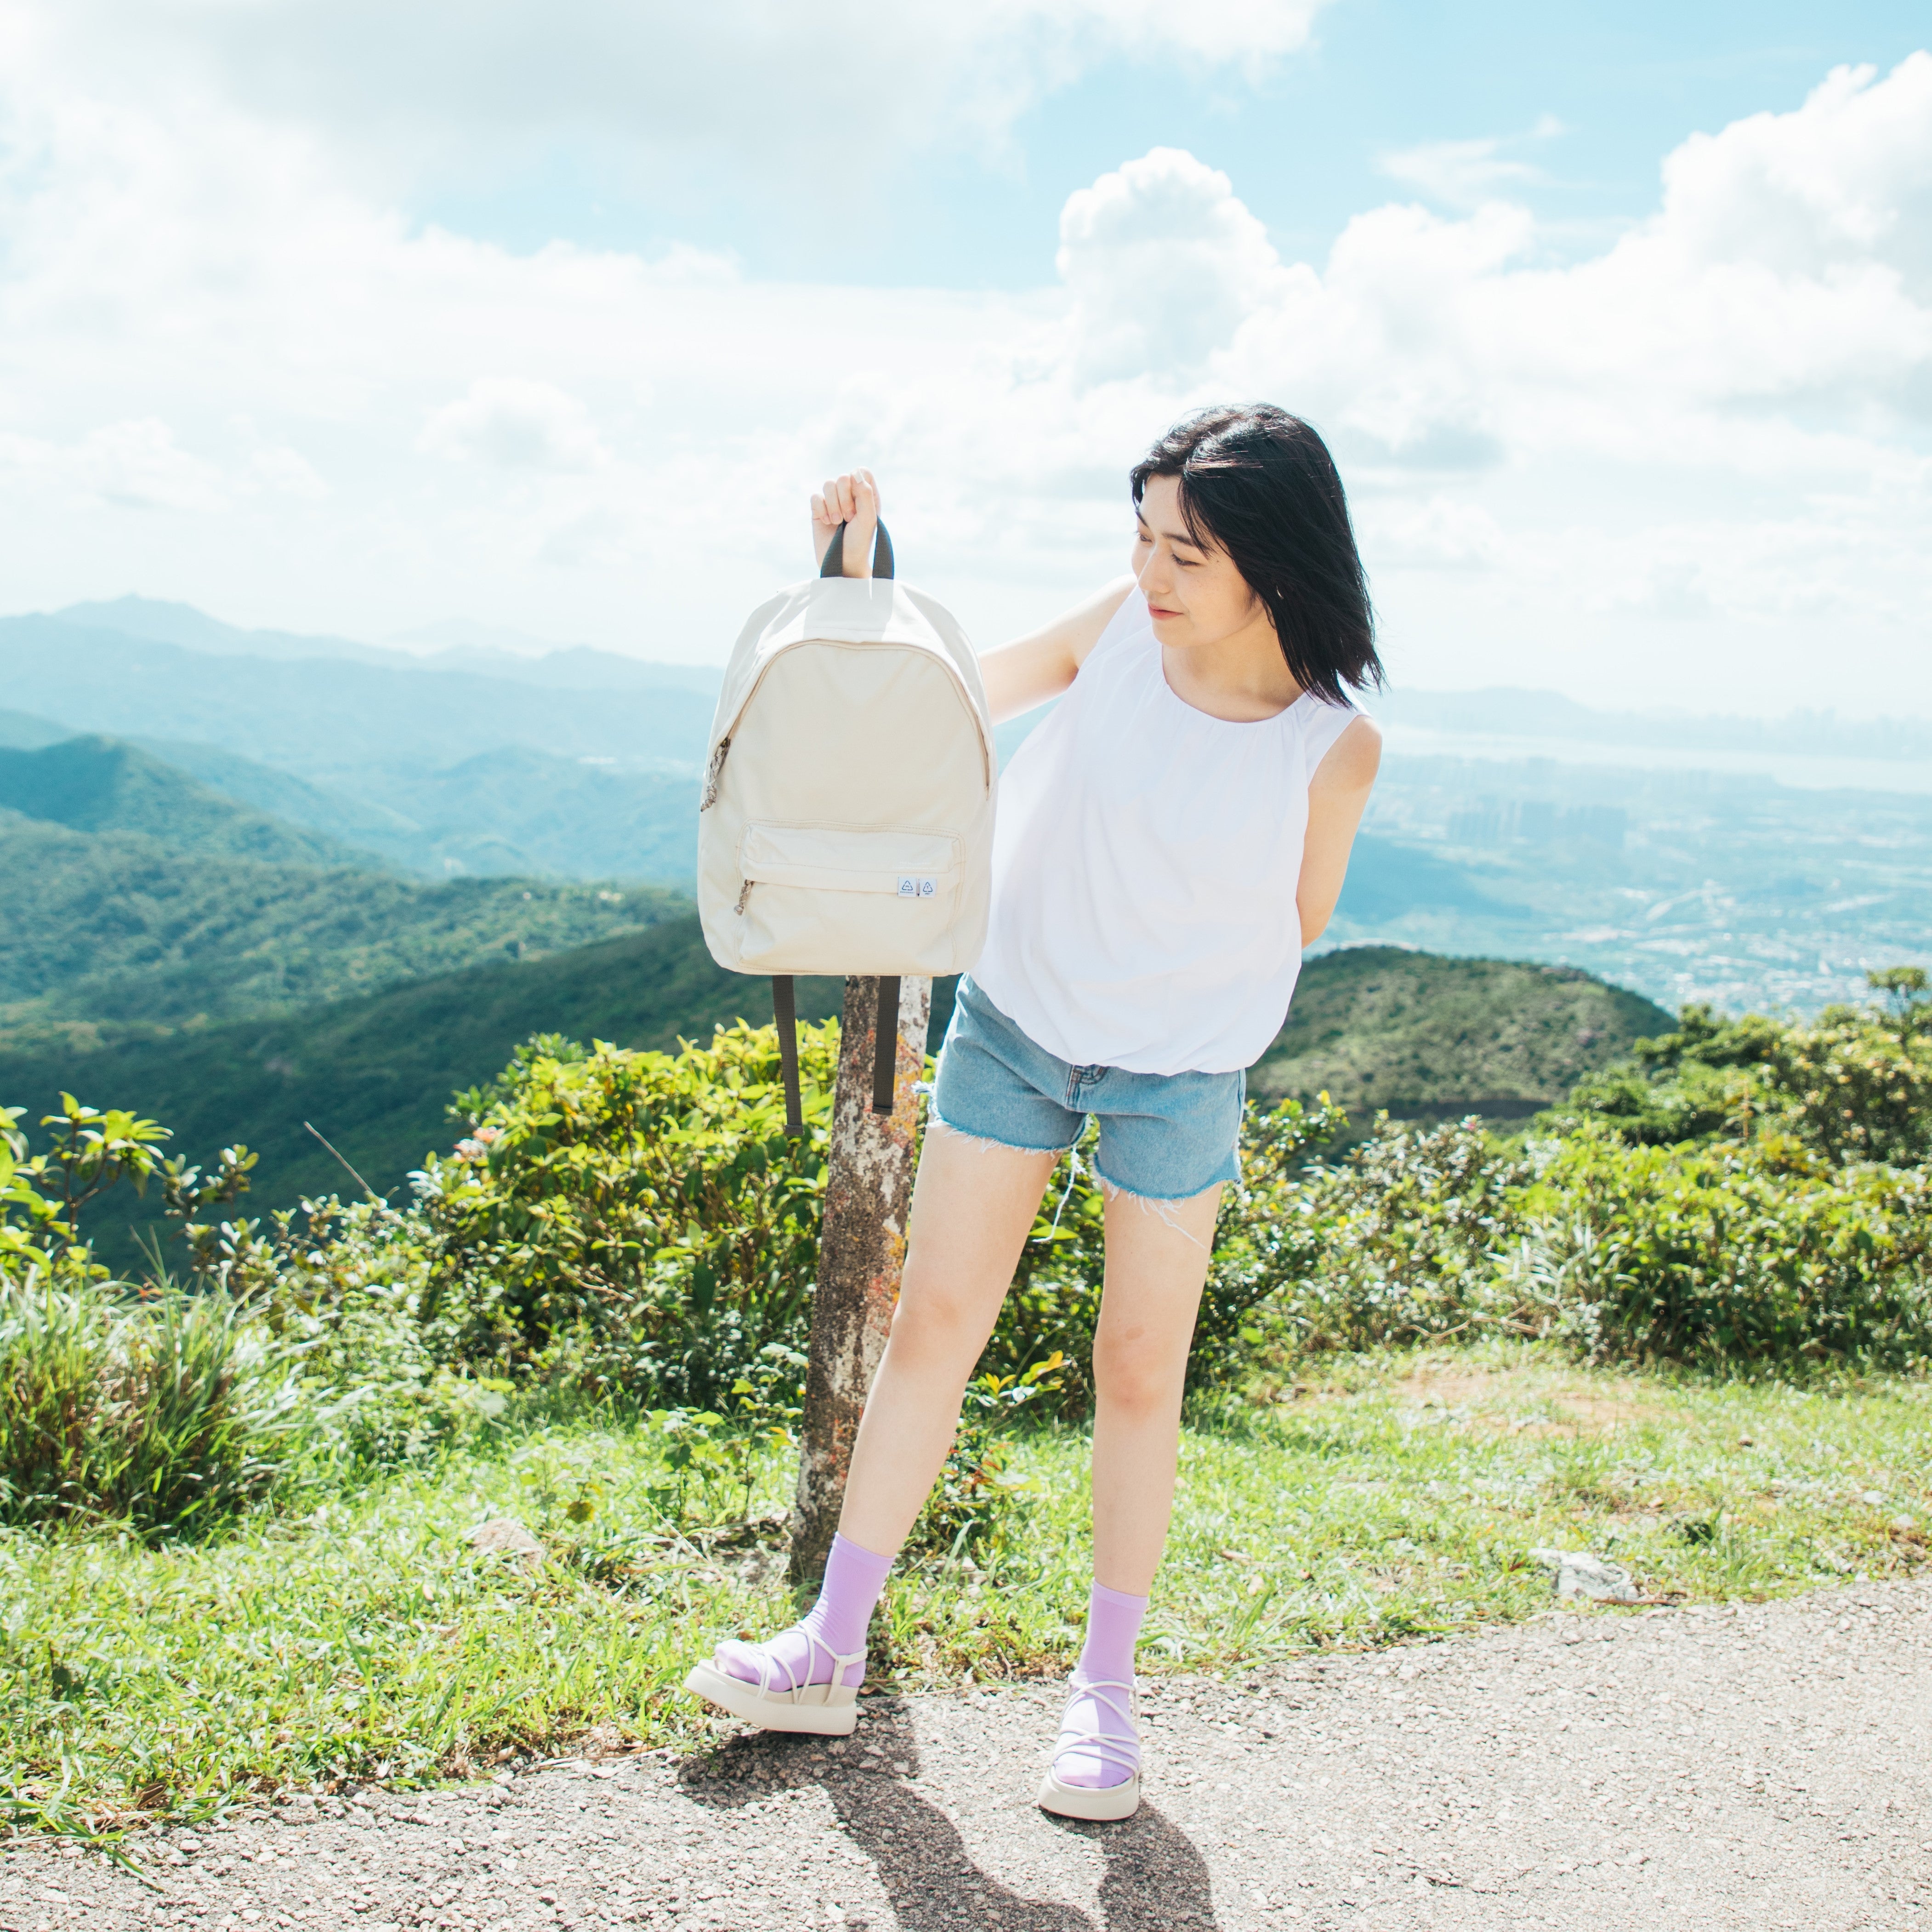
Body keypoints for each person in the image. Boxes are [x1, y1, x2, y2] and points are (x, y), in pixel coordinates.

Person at [684, 404, 1384, 1822]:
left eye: (1182, 548)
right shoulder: (1119, 629)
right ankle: (828, 1648)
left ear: (1274, 560)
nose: (1148, 570)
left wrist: (1165, 990)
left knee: (1137, 1371)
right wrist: (858, 582)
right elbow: (944, 694)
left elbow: (1293, 921)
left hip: (1179, 1070)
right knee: (935, 1325)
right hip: (1015, 1025)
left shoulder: (1331, 743)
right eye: (1139, 534)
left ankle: (1105, 1704)